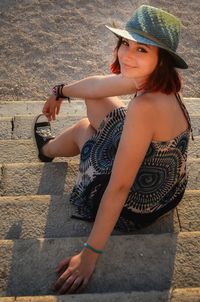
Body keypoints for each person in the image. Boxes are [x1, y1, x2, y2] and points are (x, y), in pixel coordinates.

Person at [33, 5, 193, 295]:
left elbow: (119, 187)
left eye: (142, 49)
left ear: (160, 59)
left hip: (139, 204)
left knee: (84, 127)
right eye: (125, 44)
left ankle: (46, 150)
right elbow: (98, 87)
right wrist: (60, 91)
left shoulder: (145, 106)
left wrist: (90, 254)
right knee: (97, 100)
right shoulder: (162, 80)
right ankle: (53, 146)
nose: (127, 55)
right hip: (169, 185)